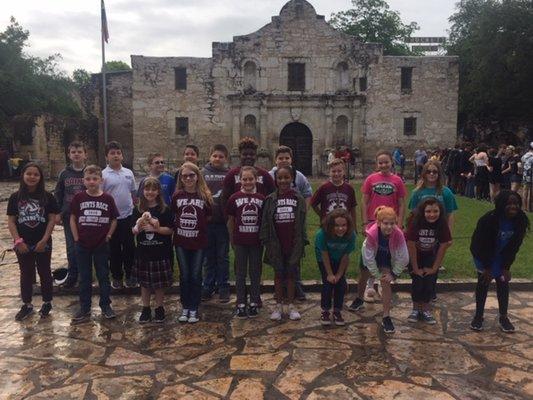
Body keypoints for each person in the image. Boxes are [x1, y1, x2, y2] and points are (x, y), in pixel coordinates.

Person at [350, 150, 405, 309]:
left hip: (390, 224)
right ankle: (368, 286)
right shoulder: (371, 179)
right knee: (369, 256)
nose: (383, 165)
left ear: (391, 163)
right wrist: (364, 222)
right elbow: (364, 201)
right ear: (377, 164)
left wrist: (399, 223)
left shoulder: (397, 180)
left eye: (386, 162)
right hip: (374, 223)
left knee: (387, 255)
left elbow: (401, 204)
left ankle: (382, 283)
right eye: (380, 162)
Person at [470, 190, 530, 333]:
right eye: (509, 204)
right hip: (483, 255)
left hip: (502, 256)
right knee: (483, 282)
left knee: (503, 282)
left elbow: (514, 246)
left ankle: (503, 317)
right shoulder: (488, 220)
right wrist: (487, 268)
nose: (513, 207)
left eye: (516, 204)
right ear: (501, 204)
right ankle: (478, 316)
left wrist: (506, 267)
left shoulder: (521, 220)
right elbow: (479, 245)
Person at [7, 163, 59, 321]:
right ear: (23, 175)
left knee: (44, 272)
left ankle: (47, 302)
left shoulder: (47, 196)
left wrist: (44, 240)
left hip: (42, 241)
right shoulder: (15, 197)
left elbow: (52, 220)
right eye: (29, 174)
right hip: (23, 242)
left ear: (40, 177)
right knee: (26, 273)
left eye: (35, 174)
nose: (32, 177)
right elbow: (11, 221)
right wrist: (18, 241)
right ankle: (27, 304)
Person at [70, 165, 118, 323]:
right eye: (88, 179)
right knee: (84, 277)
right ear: (83, 181)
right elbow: (72, 218)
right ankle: (84, 307)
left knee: (103, 276)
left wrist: (109, 235)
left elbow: (113, 219)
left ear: (101, 180)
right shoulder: (79, 198)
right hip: (82, 243)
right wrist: (76, 237)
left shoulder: (107, 198)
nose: (91, 182)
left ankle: (105, 305)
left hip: (100, 244)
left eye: (95, 179)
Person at [261, 166, 307, 321]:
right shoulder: (270, 199)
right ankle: (279, 304)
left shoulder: (298, 199)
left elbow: (302, 222)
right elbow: (266, 222)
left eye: (286, 177)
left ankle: (290, 304)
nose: (283, 181)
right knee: (278, 274)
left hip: (293, 242)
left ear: (292, 178)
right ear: (275, 179)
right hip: (276, 243)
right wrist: (266, 241)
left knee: (291, 274)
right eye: (280, 178)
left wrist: (301, 242)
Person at [407, 160, 457, 301]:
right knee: (417, 262)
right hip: (421, 234)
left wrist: (449, 234)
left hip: (438, 233)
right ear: (424, 174)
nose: (432, 174)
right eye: (429, 171)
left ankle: (431, 289)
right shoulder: (417, 192)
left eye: (435, 171)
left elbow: (450, 213)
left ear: (439, 174)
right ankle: (418, 288)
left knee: (434, 261)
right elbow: (413, 214)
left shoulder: (445, 192)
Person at [269, 145, 312, 300]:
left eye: (287, 158)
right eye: (281, 158)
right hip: (277, 224)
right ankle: (279, 290)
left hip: (294, 224)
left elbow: (307, 193)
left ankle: (297, 287)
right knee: (278, 257)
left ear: (291, 159)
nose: (284, 161)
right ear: (275, 160)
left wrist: (303, 212)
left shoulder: (299, 176)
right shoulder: (270, 176)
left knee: (295, 257)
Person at [172, 162, 213, 324]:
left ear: (197, 177)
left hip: (198, 241)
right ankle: (185, 306)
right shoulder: (177, 196)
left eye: (191, 175)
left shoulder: (204, 196)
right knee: (185, 274)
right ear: (181, 179)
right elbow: (175, 214)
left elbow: (208, 216)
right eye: (185, 176)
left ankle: (194, 307)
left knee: (196, 275)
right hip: (181, 241)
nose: (188, 178)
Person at [359, 206, 409, 334]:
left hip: (386, 257)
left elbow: (404, 257)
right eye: (385, 223)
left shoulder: (398, 234)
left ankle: (386, 316)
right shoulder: (372, 233)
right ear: (378, 223)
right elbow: (368, 256)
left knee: (386, 283)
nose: (389, 227)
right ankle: (359, 298)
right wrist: (375, 273)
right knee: (364, 276)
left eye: (392, 223)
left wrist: (394, 273)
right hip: (371, 256)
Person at [132, 177, 174, 324]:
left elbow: (170, 230)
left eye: (153, 189)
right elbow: (134, 230)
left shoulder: (164, 209)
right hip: (143, 252)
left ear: (158, 192)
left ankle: (159, 307)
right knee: (144, 283)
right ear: (142, 191)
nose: (150, 192)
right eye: (147, 189)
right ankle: (145, 308)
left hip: (160, 252)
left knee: (159, 284)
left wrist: (156, 228)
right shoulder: (137, 210)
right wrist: (139, 225)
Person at [226, 166, 265, 319]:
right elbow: (231, 220)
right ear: (240, 180)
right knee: (240, 273)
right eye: (245, 179)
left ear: (256, 180)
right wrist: (232, 238)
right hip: (240, 241)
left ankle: (254, 301)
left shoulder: (262, 199)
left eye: (251, 179)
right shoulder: (234, 198)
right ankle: (241, 302)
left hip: (256, 241)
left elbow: (263, 221)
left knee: (255, 272)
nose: (248, 182)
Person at [406, 198, 452, 324]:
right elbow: (410, 244)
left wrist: (434, 268)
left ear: (440, 211)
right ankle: (415, 309)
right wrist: (415, 267)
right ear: (423, 212)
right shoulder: (415, 221)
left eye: (435, 211)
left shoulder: (442, 223)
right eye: (428, 211)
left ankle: (426, 309)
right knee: (417, 282)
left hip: (431, 254)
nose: (432, 215)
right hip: (416, 254)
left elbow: (443, 245)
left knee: (429, 282)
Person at [102, 141, 137, 289]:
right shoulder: (103, 175)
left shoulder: (128, 173)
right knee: (114, 249)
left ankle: (130, 275)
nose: (116, 156)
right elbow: (101, 196)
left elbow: (134, 194)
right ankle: (117, 277)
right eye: (112, 153)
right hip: (111, 220)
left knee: (129, 248)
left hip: (128, 217)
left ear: (122, 156)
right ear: (106, 157)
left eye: (118, 153)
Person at [54, 141, 87, 288]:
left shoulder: (90, 172)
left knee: (85, 246)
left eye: (79, 151)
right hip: (68, 216)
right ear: (69, 155)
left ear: (85, 154)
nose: (77, 154)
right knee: (71, 247)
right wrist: (58, 213)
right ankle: (72, 275)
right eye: (73, 152)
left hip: (87, 216)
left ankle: (85, 275)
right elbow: (58, 194)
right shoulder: (64, 174)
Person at [315, 209, 356, 326]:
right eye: (336, 225)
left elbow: (345, 256)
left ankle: (337, 311)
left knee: (340, 284)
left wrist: (338, 274)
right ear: (330, 225)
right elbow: (324, 254)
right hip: (324, 259)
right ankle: (325, 310)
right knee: (328, 284)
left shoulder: (351, 235)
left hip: (340, 258)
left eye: (344, 225)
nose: (340, 228)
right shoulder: (322, 234)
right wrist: (329, 274)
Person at [201, 144, 231, 303]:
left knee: (223, 256)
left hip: (223, 223)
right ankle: (208, 285)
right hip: (207, 223)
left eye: (221, 156)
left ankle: (223, 286)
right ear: (210, 157)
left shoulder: (229, 175)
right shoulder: (203, 174)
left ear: (225, 158)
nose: (217, 159)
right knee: (208, 257)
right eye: (215, 156)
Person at [221, 136, 275, 206]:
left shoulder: (264, 175)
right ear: (240, 155)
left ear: (256, 155)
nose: (248, 157)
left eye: (252, 154)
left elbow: (272, 195)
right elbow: (224, 198)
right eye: (245, 154)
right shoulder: (231, 174)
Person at [310, 158, 357, 228]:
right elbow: (313, 203)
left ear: (344, 172)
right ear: (329, 172)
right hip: (327, 225)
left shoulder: (349, 188)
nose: (336, 174)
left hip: (344, 226)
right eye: (333, 171)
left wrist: (354, 225)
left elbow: (353, 208)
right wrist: (322, 215)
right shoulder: (324, 187)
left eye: (339, 171)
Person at [520, 142, 533, 212]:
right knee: (531, 192)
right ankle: (530, 208)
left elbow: (521, 165)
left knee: (525, 191)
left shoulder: (524, 156)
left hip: (525, 176)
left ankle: (524, 208)